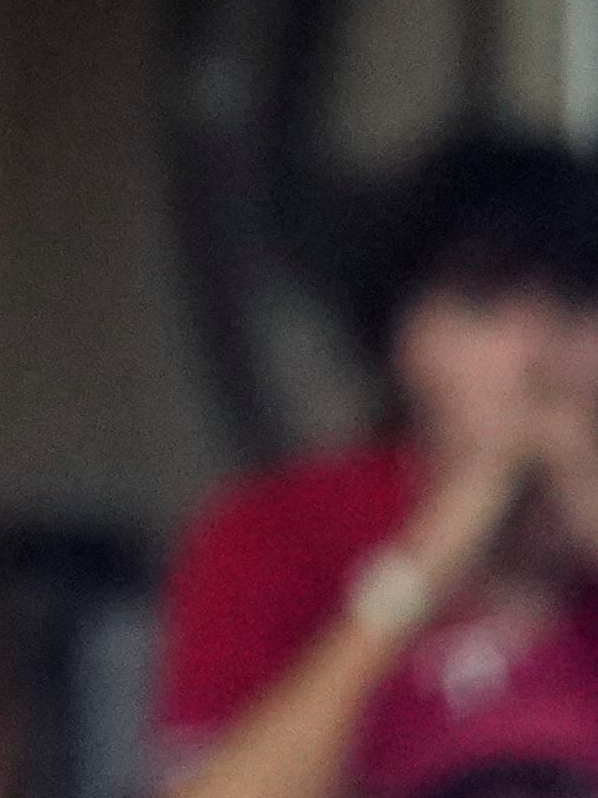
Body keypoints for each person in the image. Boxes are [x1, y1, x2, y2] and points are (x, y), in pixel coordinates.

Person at [155, 135, 598, 798]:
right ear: (400, 338)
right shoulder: (275, 528)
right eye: (481, 307)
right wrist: (421, 564)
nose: (536, 353)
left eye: (573, 303)